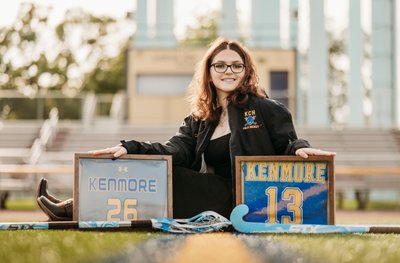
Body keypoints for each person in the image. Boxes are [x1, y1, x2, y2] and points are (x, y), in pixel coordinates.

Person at [36, 37, 335, 221]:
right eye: (220, 65)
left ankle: (71, 208)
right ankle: (70, 207)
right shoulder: (200, 117)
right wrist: (131, 147)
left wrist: (300, 147)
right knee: (158, 170)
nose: (228, 71)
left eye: (236, 65)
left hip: (246, 197)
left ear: (246, 71)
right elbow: (175, 150)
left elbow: (288, 143)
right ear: (209, 71)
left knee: (168, 179)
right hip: (212, 192)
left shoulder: (266, 108)